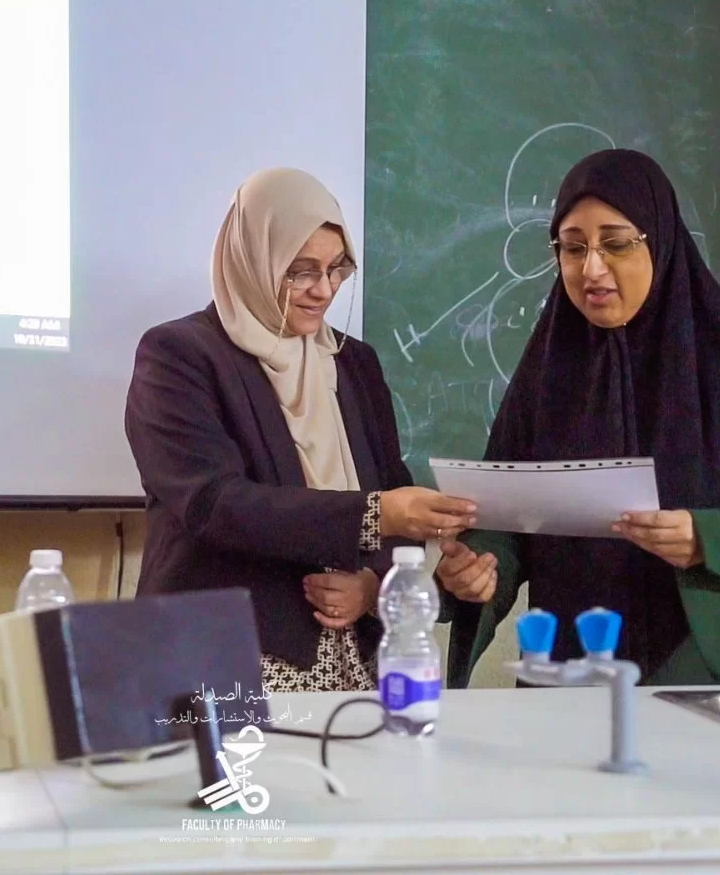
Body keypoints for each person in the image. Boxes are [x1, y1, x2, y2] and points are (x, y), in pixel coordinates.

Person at [438, 149, 720, 687]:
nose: (591, 268)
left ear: (660, 242)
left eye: (617, 243)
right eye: (572, 247)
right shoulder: (547, 373)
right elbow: (509, 524)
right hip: (575, 677)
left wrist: (706, 539)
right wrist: (480, 570)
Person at [125, 167, 478, 693]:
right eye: (301, 271)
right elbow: (213, 503)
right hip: (230, 659)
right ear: (254, 258)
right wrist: (377, 514)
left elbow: (392, 487)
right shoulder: (180, 356)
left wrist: (372, 585)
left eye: (337, 269)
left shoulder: (353, 363)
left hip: (354, 666)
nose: (324, 289)